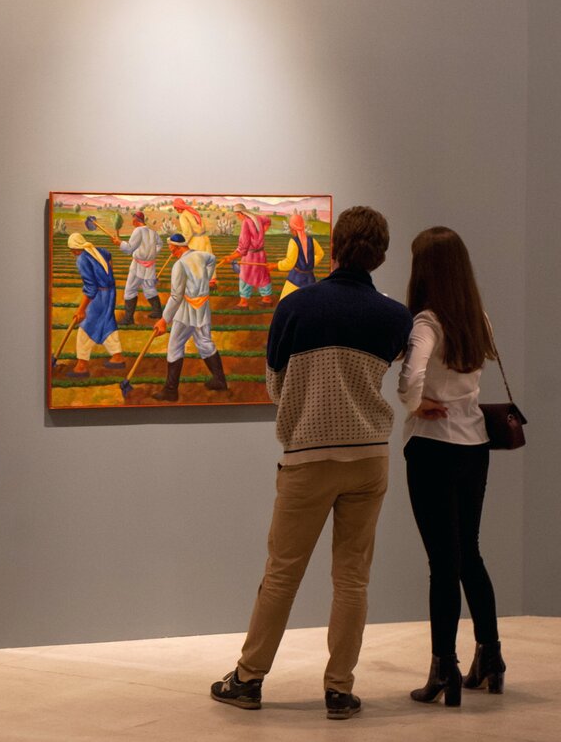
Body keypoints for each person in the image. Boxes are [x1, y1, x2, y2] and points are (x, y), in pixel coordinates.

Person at [210, 206, 412, 720]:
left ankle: (248, 679)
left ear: (335, 248)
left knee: (282, 574)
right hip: (370, 457)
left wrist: (309, 404)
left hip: (308, 458)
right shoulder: (395, 317)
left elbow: (275, 385)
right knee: (353, 579)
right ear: (380, 255)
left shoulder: (296, 307)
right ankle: (339, 690)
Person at [397, 226, 504, 707]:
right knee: (470, 554)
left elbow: (410, 378)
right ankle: (491, 656)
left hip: (433, 447)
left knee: (442, 563)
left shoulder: (427, 322)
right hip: (474, 445)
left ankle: (445, 668)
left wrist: (414, 403)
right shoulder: (477, 318)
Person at [151, 233, 226, 401]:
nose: (170, 251)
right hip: (202, 307)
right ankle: (220, 380)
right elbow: (212, 259)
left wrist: (164, 320)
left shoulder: (179, 265)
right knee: (205, 342)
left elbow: (176, 296)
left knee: (175, 346)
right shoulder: (201, 255)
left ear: (177, 247)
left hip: (187, 311)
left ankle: (171, 390)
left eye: (171, 248)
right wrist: (207, 278)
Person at [64, 232, 126, 378]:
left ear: (75, 248)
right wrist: (108, 275)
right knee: (107, 322)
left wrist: (81, 310)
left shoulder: (82, 259)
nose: (72, 252)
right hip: (110, 292)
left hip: (99, 295)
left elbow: (90, 287)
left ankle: (81, 366)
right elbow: (109, 255)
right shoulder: (96, 250)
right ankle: (117, 357)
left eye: (72, 249)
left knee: (86, 326)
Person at [110, 211, 162, 324]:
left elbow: (129, 249)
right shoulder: (152, 232)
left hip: (138, 265)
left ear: (137, 220)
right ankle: (158, 312)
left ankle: (128, 319)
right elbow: (160, 244)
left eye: (133, 220)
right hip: (150, 266)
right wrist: (151, 254)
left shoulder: (138, 231)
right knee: (149, 288)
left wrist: (119, 243)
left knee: (130, 290)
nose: (132, 222)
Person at [225, 204, 273, 309]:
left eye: (238, 215)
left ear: (242, 213)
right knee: (263, 275)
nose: (238, 217)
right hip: (261, 254)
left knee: (245, 276)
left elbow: (243, 247)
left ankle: (243, 303)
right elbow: (268, 220)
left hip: (250, 255)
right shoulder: (258, 218)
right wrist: (262, 232)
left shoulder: (246, 223)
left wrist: (230, 257)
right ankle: (267, 299)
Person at [274, 213, 324, 301]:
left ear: (293, 228)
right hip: (310, 280)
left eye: (290, 226)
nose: (290, 229)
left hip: (295, 280)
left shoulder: (293, 242)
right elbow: (321, 254)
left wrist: (275, 265)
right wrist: (310, 264)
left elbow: (289, 263)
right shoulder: (312, 240)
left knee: (284, 302)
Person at [173, 197, 217, 288]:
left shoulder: (183, 216)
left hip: (195, 241)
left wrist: (181, 243)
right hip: (204, 239)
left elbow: (187, 233)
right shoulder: (193, 212)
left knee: (195, 261)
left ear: (180, 206)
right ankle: (211, 282)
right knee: (208, 260)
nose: (176, 209)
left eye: (176, 207)